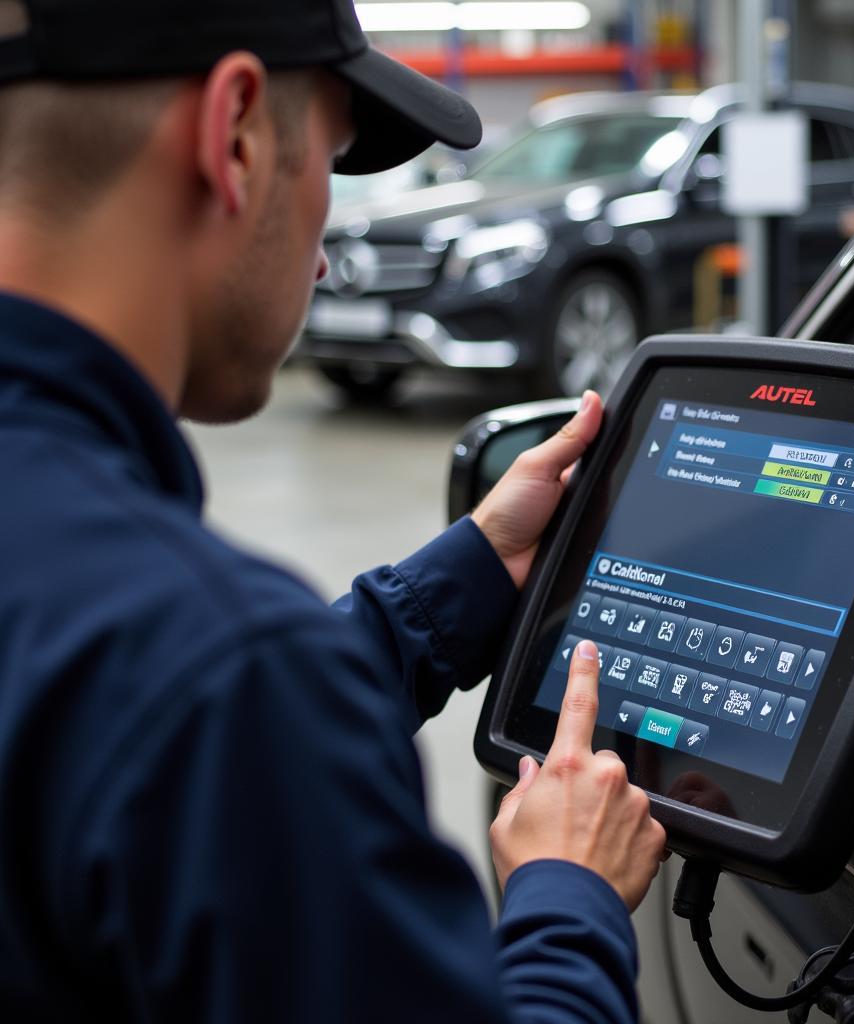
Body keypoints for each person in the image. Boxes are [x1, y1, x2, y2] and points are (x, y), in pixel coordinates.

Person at [0, 1, 667, 1021]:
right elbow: (206, 706)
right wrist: (567, 892)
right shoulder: (223, 678)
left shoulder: (165, 664)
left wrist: (472, 572)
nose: (320, 258)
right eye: (330, 158)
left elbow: (127, 717)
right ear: (233, 136)